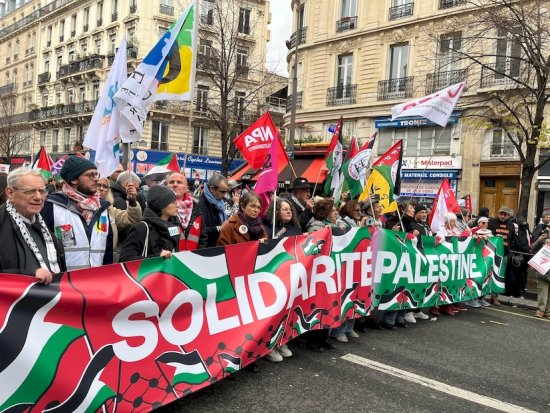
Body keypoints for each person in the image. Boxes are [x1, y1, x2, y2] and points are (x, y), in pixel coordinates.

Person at [217, 191, 266, 372]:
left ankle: (249, 357)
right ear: (243, 206)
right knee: (236, 323)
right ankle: (232, 358)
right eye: (252, 206)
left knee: (252, 321)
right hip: (234, 281)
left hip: (253, 280)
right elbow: (221, 251)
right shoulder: (229, 226)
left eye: (258, 207)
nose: (256, 210)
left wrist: (265, 244)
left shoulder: (260, 227)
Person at [42, 156, 114, 271]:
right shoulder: (52, 206)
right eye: (90, 175)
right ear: (74, 179)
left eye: (96, 174)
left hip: (97, 279)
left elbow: (107, 248)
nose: (96, 179)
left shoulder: (102, 207)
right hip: (64, 280)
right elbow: (43, 247)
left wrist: (106, 275)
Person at [0, 169, 66, 282]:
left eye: (42, 191)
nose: (38, 197)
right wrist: (29, 275)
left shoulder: (44, 227)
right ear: (10, 193)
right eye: (30, 191)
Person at [119, 185, 179, 262]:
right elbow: (125, 259)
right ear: (161, 206)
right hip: (147, 270)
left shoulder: (174, 225)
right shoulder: (141, 228)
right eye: (173, 202)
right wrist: (157, 257)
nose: (177, 205)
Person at [96, 177, 142, 259]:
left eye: (105, 186)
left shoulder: (110, 210)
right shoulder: (83, 208)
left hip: (108, 258)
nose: (101, 189)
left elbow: (132, 219)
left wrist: (132, 200)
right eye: (98, 185)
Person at [166, 172, 204, 251]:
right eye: (172, 182)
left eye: (179, 182)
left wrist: (200, 254)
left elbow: (203, 237)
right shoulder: (161, 207)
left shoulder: (196, 208)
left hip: (193, 256)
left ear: (186, 188)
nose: (175, 184)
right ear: (166, 187)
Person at [488, 206, 517, 305]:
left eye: (505, 214)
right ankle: (481, 296)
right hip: (491, 252)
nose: (502, 216)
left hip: (503, 254)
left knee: (499, 276)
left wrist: (509, 251)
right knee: (487, 274)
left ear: (508, 215)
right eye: (501, 214)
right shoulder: (491, 222)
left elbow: (512, 239)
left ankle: (494, 297)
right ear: (498, 213)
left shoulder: (511, 225)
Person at [198, 174, 228, 248]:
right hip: (208, 249)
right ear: (212, 189)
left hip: (219, 245)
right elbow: (199, 231)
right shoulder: (200, 204)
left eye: (226, 192)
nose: (224, 195)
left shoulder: (220, 202)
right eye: (222, 192)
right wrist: (219, 228)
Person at [530, 231, 550, 318]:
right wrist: (540, 240)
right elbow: (533, 248)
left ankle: (548, 311)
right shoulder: (545, 236)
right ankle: (540, 310)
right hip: (543, 270)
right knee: (543, 291)